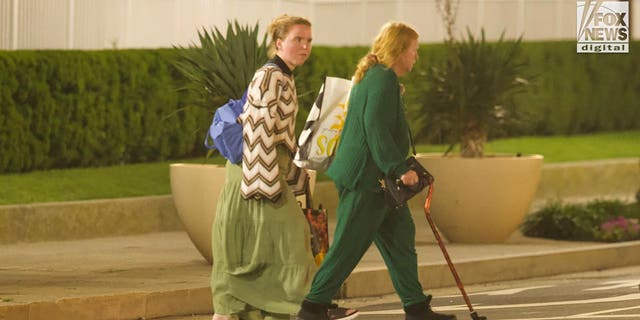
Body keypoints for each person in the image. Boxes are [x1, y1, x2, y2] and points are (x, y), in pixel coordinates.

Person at [295, 22, 457, 320]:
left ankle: (416, 307)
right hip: (368, 181)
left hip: (378, 182)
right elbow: (376, 130)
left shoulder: (378, 77)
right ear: (399, 50)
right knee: (348, 245)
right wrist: (398, 169)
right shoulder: (382, 79)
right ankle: (312, 307)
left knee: (401, 239)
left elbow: (376, 123)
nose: (416, 57)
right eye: (414, 51)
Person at [210, 15, 356, 320]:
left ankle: (237, 310)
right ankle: (306, 307)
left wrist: (293, 172)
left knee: (254, 244)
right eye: (297, 40)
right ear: (279, 43)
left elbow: (276, 135)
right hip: (256, 173)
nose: (305, 46)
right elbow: (257, 133)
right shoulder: (270, 76)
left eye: (308, 40)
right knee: (290, 237)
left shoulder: (282, 75)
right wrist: (266, 183)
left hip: (262, 170)